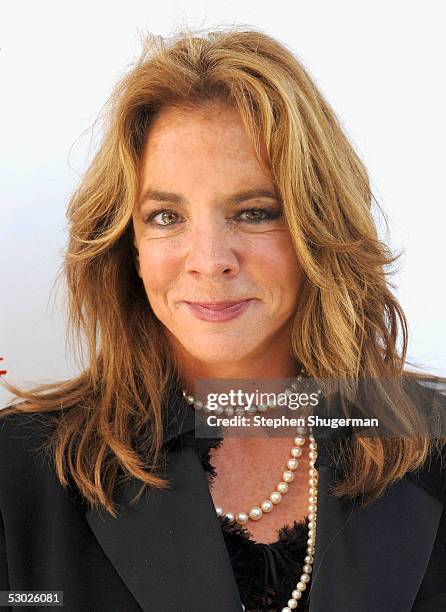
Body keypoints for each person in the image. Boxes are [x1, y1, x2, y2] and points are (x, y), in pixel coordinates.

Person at [0, 26, 445, 612]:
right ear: (125, 244)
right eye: (165, 217)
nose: (210, 261)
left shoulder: (431, 444)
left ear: (321, 230)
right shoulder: (20, 474)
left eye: (255, 212)